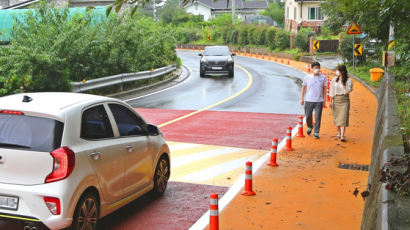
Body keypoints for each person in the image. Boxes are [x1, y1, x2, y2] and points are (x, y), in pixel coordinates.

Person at [300, 62, 327, 139]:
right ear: (312, 69)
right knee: (308, 116)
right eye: (315, 68)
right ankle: (310, 126)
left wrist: (324, 99)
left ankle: (316, 132)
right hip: (308, 100)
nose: (317, 69)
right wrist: (302, 98)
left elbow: (324, 89)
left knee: (318, 117)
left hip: (319, 100)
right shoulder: (307, 77)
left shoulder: (323, 77)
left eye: (318, 68)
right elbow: (304, 88)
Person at [329, 65, 353, 142]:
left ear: (342, 71)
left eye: (338, 70)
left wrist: (342, 81)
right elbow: (331, 91)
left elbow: (348, 90)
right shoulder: (334, 80)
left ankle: (342, 135)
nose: (337, 72)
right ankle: (339, 132)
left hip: (344, 100)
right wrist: (331, 101)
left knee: (343, 118)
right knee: (337, 118)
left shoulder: (349, 80)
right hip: (336, 100)